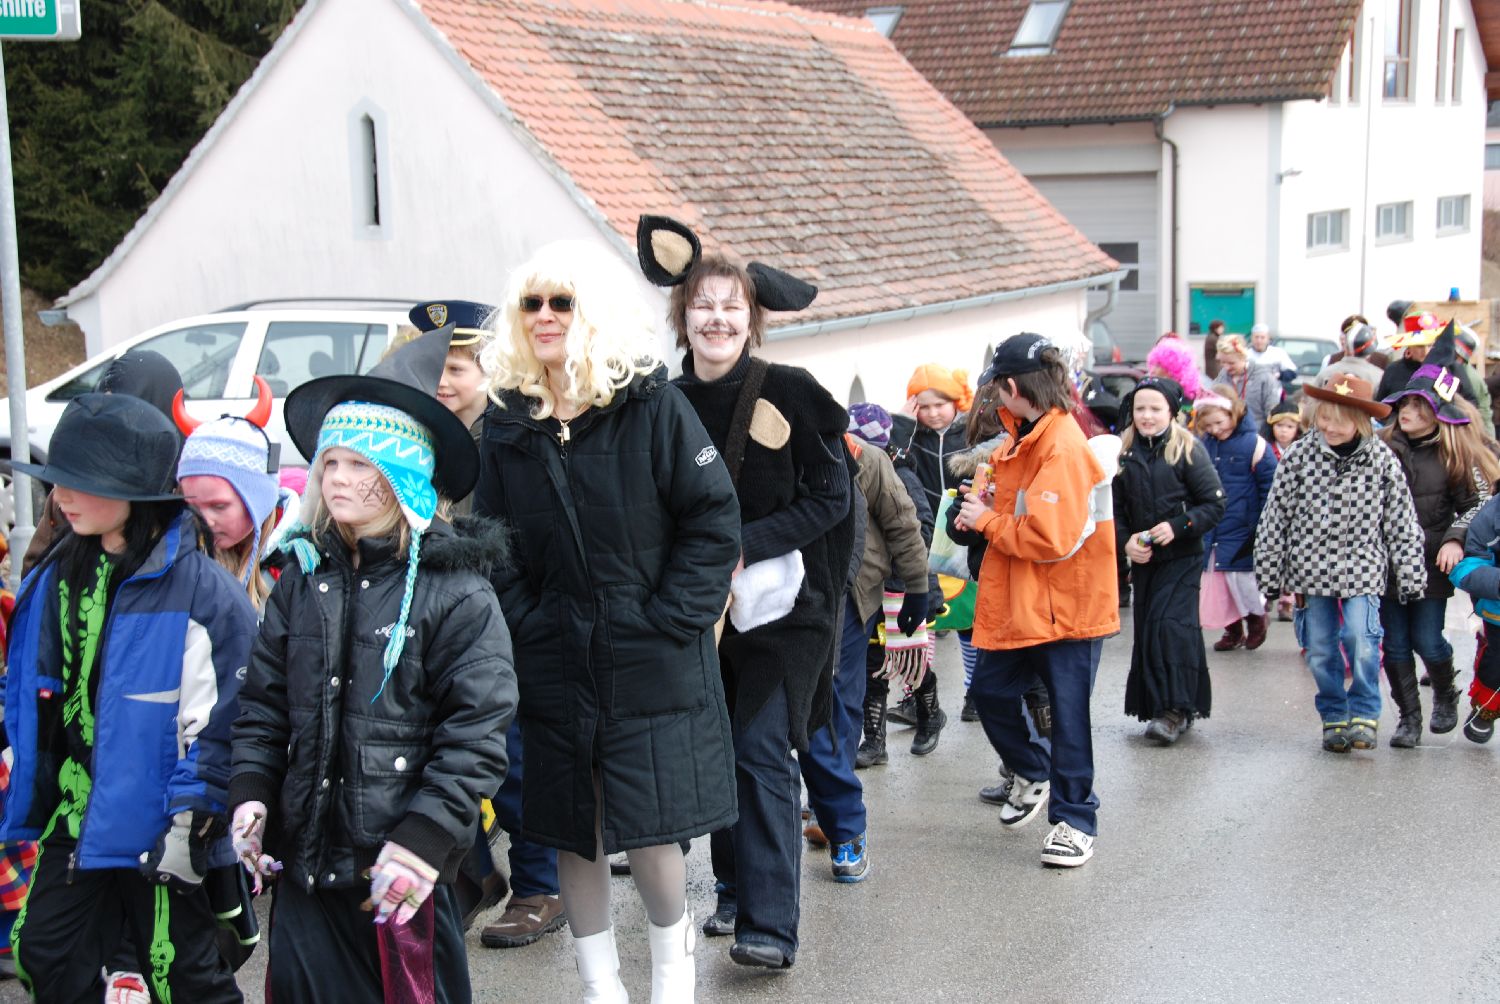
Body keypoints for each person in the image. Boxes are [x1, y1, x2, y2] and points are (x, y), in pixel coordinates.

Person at [477, 233, 741, 999]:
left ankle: (672, 974)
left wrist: (669, 620)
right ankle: (600, 987)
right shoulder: (508, 420)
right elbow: (492, 541)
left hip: (650, 657)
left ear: (592, 312)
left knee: (654, 832)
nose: (544, 315)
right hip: (556, 659)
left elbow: (712, 520)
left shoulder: (652, 404)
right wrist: (528, 621)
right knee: (574, 832)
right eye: (531, 303)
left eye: (561, 302)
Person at [229, 329, 516, 1002]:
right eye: (329, 462)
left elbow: (476, 734)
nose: (337, 479)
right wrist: (251, 793)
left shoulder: (457, 593)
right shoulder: (302, 580)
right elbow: (264, 707)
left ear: (402, 474)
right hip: (305, 869)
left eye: (360, 463)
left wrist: (425, 838)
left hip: (399, 874)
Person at [640, 215, 855, 969]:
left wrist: (744, 546)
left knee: (761, 750)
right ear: (683, 315)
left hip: (784, 612)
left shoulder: (791, 392)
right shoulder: (658, 403)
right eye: (703, 305)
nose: (718, 319)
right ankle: (733, 889)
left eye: (732, 307)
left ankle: (770, 926)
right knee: (713, 753)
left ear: (752, 318)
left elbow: (832, 497)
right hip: (695, 614)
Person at [1, 393, 256, 1002]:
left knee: (178, 974)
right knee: (43, 953)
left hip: (162, 820)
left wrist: (191, 823)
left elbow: (225, 723)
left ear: (135, 494)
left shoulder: (207, 594)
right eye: (57, 479)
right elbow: (33, 691)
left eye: (80, 482)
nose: (60, 495)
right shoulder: (55, 573)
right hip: (78, 808)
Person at [407, 300, 564, 945]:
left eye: (458, 368)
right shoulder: (413, 436)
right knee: (435, 753)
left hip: (502, 620)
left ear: (489, 369)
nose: (443, 381)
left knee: (513, 760)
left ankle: (538, 886)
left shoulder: (511, 434)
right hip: (433, 624)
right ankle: (471, 876)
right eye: (435, 367)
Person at [953, 333, 1120, 868]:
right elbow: (1025, 513)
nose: (993, 398)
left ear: (1011, 385)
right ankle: (1032, 770)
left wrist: (988, 520)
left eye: (996, 388)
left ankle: (1075, 822)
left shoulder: (1060, 444)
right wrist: (982, 507)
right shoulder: (1024, 436)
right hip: (1028, 600)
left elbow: (1052, 537)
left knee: (1068, 719)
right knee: (990, 692)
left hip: (1068, 607)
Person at [1254, 373, 1426, 752]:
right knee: (1319, 649)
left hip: (1362, 568)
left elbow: (1401, 522)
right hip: (1310, 570)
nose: (1330, 427)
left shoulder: (1382, 460)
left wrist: (1411, 574)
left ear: (1361, 421)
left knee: (1361, 639)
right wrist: (1269, 573)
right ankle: (1333, 712)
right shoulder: (1299, 456)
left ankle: (1364, 709)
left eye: (1340, 421)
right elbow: (1275, 517)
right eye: (1324, 418)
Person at [799, 406, 927, 882]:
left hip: (853, 596)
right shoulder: (784, 456)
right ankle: (830, 806)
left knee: (837, 704)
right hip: (793, 596)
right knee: (808, 710)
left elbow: (903, 523)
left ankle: (838, 817)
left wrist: (918, 589)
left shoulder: (868, 460)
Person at [1377, 323, 1499, 746]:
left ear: (1438, 412)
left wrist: (1454, 537)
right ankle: (1408, 719)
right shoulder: (1382, 448)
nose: (1406, 411)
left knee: (1428, 641)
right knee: (1394, 646)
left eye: (1418, 404)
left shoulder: (1455, 453)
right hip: (1386, 565)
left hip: (1431, 564)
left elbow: (1477, 505)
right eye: (1404, 403)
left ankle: (1445, 693)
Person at [1114, 377, 1225, 744]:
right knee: (1150, 631)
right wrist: (1126, 543)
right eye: (1140, 408)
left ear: (1172, 412)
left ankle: (1174, 711)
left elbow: (1214, 504)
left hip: (1183, 558)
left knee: (1171, 628)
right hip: (1146, 562)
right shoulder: (1123, 453)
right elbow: (1115, 512)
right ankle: (1165, 706)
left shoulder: (1188, 449)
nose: (1147, 416)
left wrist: (1179, 526)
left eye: (1155, 409)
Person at [21, 350, 185, 579]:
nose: (111, 417)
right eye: (105, 402)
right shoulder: (73, 487)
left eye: (123, 406)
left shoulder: (191, 492)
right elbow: (35, 569)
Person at [1195, 386, 1277, 651]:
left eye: (1219, 422)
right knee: (1217, 583)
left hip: (1244, 523)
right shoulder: (1204, 443)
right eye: (1208, 425)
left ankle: (1256, 619)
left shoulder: (1254, 444)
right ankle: (1232, 629)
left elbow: (1270, 484)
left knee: (1243, 581)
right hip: (1213, 524)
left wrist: (1265, 520)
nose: (1215, 429)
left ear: (1234, 413)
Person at [1214, 334, 1283, 428]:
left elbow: (1272, 411)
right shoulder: (1222, 376)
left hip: (1257, 431)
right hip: (1227, 432)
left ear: (1243, 357)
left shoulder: (1264, 376)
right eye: (1222, 362)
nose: (1226, 367)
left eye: (1231, 363)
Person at [1145, 336, 1203, 402]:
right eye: (1153, 365)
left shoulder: (1187, 400)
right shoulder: (1149, 391)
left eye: (1158, 365)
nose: (1152, 370)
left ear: (1172, 370)